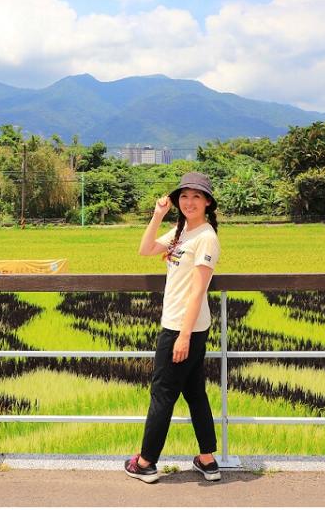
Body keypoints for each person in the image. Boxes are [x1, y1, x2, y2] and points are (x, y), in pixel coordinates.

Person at [124, 171, 222, 483]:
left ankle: (145, 462)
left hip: (184, 327)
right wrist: (158, 214)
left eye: (196, 196)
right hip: (185, 326)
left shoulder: (206, 237)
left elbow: (198, 290)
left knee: (162, 394)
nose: (189, 201)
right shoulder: (180, 231)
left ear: (207, 201)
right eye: (184, 196)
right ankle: (207, 460)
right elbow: (145, 249)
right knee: (194, 392)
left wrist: (182, 336)